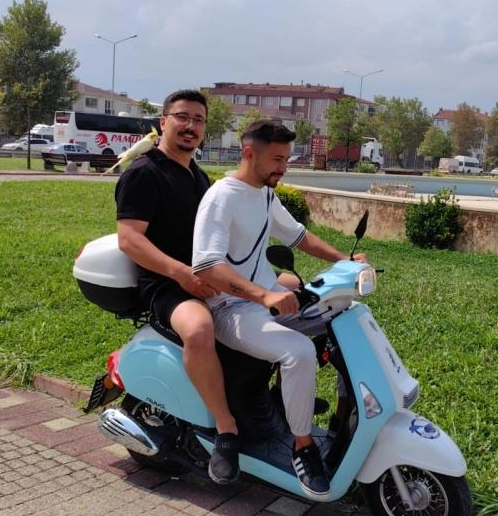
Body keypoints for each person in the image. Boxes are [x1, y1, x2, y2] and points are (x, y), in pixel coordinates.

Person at [192, 119, 367, 499]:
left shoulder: (265, 195)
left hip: (264, 297)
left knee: (342, 317)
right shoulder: (221, 197)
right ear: (249, 153)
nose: (284, 167)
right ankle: (303, 447)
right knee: (299, 351)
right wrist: (263, 295)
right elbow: (206, 266)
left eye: (287, 159)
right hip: (230, 308)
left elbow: (298, 237)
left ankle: (343, 417)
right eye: (277, 159)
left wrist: (345, 261)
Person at [114, 89, 240, 484]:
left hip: (204, 275)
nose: (190, 126)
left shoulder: (196, 175)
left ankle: (264, 407)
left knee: (286, 295)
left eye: (198, 120)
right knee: (199, 330)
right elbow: (129, 240)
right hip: (165, 284)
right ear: (163, 121)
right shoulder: (144, 173)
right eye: (182, 117)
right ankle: (226, 430)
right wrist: (181, 273)